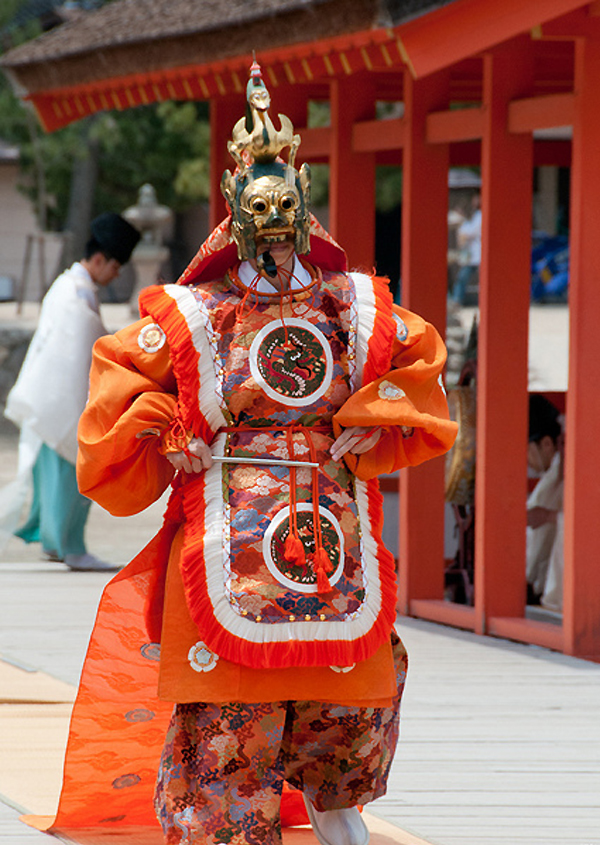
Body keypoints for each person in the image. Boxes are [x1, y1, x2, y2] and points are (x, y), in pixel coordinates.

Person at [45, 63, 456, 845]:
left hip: (330, 519)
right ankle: (228, 824)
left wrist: (374, 412)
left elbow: (417, 352)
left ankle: (338, 803)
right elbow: (119, 374)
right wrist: (171, 427)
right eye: (257, 209)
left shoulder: (348, 304)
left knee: (356, 690)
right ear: (234, 212)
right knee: (230, 715)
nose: (272, 224)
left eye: (284, 206)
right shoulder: (199, 313)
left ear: (303, 206)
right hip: (229, 512)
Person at [3, 213, 140, 570]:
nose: (116, 274)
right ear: (99, 260)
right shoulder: (77, 293)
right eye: (115, 266)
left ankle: (55, 543)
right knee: (71, 474)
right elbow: (87, 346)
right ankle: (70, 547)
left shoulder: (66, 285)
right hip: (64, 397)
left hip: (49, 396)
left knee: (52, 474)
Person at [526, 394, 564, 610]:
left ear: (547, 444)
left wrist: (548, 516)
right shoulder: (554, 475)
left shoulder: (563, 473)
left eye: (527, 448)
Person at [450, 192, 481, 306]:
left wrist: (461, 222)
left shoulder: (480, 216)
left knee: (465, 278)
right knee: (462, 278)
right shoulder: (474, 216)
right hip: (472, 255)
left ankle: (457, 300)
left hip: (478, 254)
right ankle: (457, 300)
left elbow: (469, 232)